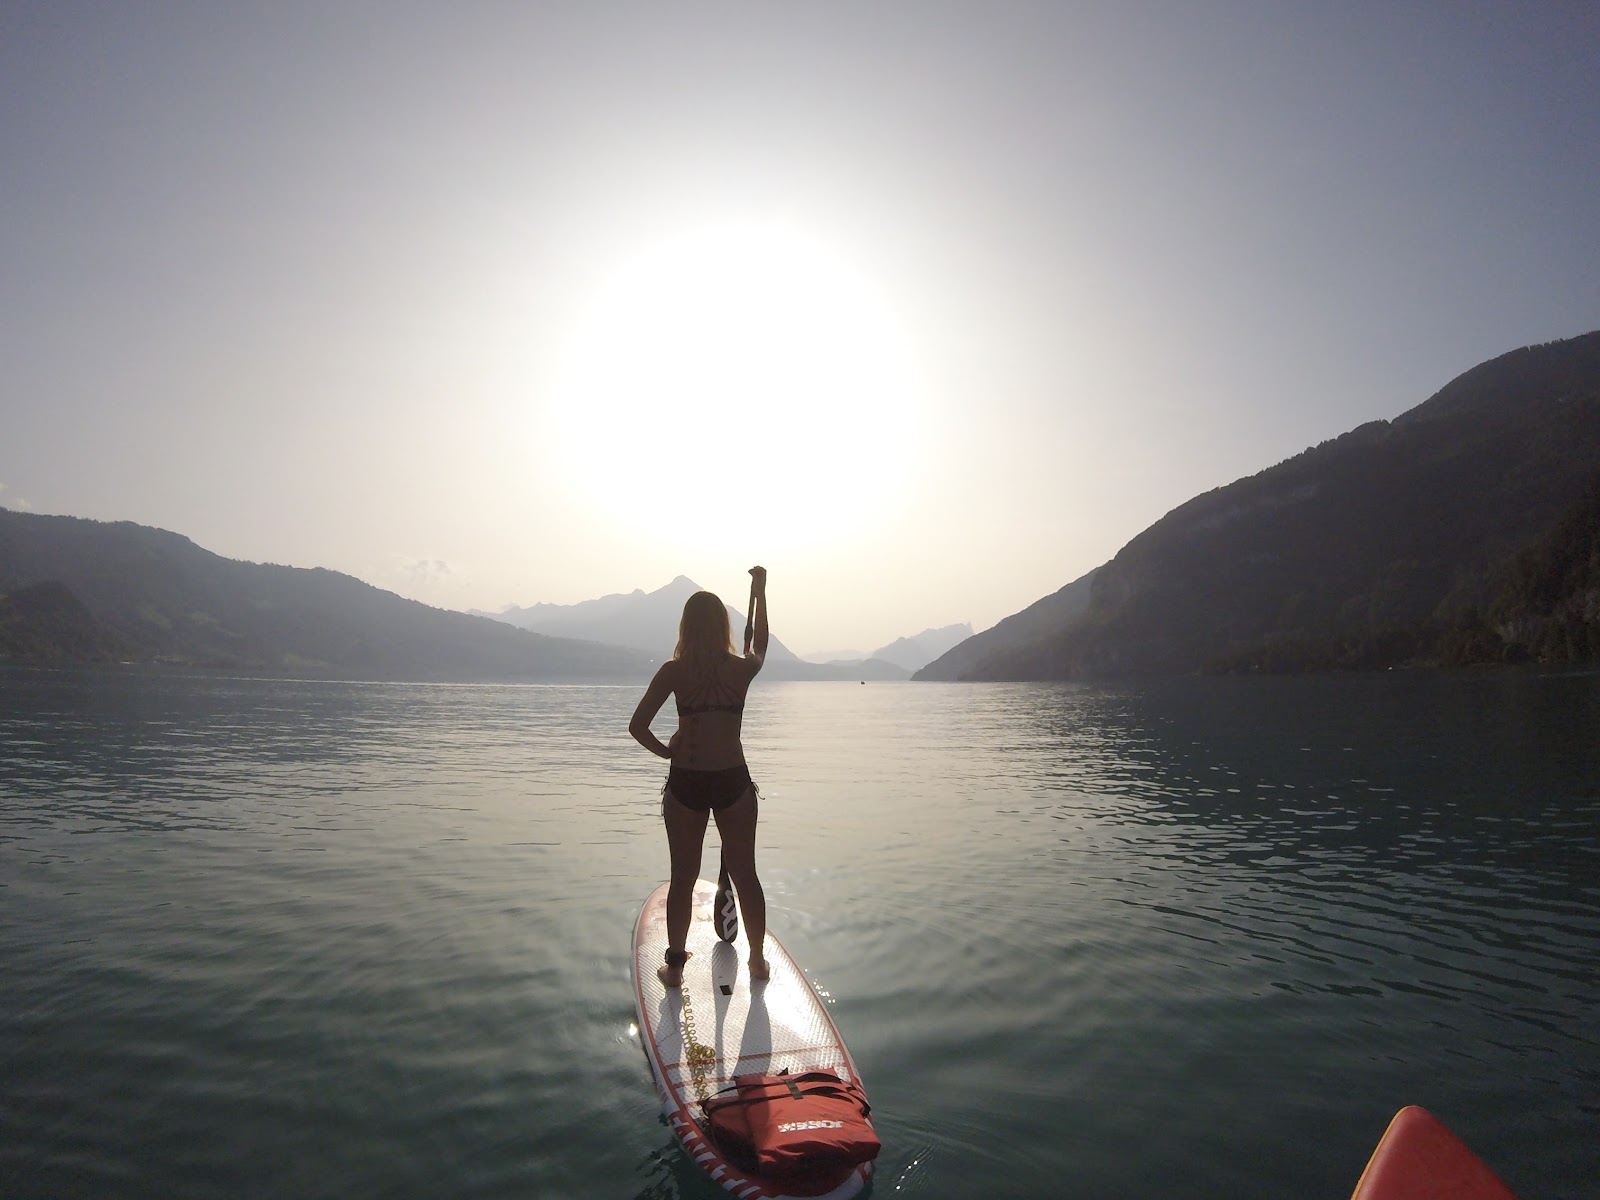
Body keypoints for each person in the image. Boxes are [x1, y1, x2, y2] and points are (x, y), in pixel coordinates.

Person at [629, 566, 770, 987]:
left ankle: (674, 967)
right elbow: (761, 643)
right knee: (746, 875)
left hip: (686, 780)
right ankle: (757, 962)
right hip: (732, 780)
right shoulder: (741, 669)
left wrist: (667, 750)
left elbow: (638, 727)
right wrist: (761, 593)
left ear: (686, 627)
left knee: (683, 878)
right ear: (724, 626)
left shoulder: (674, 671)